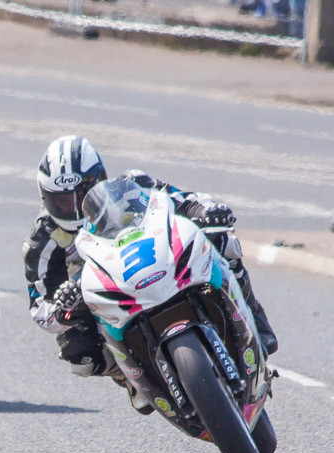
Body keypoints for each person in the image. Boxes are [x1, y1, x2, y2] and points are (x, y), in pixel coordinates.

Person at [24, 135, 278, 411]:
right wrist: (61, 310)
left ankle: (255, 321)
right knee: (77, 351)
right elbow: (39, 307)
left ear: (99, 180)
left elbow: (184, 201)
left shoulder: (132, 184)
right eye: (62, 202)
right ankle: (128, 376)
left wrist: (207, 211)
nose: (74, 209)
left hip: (157, 261)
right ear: (45, 196)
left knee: (223, 241)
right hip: (102, 295)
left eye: (82, 195)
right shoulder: (41, 241)